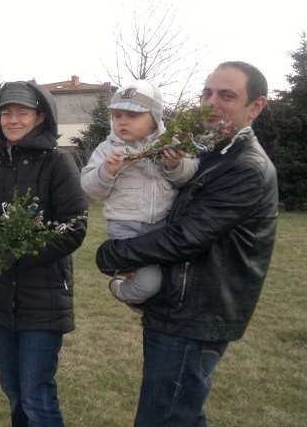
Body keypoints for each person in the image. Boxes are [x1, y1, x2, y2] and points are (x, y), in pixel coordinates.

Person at [96, 61, 278, 427]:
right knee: (179, 414)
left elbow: (186, 237)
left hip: (196, 317)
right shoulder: (211, 153)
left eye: (227, 95)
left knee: (164, 419)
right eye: (207, 92)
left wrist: (111, 254)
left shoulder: (246, 167)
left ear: (255, 107)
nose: (212, 102)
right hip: (177, 308)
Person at [0, 81, 87, 427]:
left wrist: (18, 254)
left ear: (39, 117)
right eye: (6, 112)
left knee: (37, 395)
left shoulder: (58, 164)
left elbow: (74, 227)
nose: (13, 119)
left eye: (22, 112)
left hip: (43, 296)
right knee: (13, 390)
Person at [81, 80, 198, 306]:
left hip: (163, 227)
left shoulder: (170, 144)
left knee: (170, 280)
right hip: (125, 229)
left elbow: (187, 177)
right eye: (117, 116)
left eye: (132, 116)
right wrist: (107, 171)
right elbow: (89, 189)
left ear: (154, 117)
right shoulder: (107, 150)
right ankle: (122, 291)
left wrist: (175, 165)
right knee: (148, 283)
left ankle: (149, 306)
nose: (122, 121)